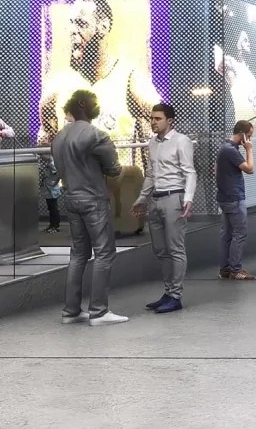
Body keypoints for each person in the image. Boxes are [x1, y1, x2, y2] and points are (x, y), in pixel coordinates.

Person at [37, 0, 163, 144]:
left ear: (103, 27)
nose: (72, 31)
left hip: (117, 167)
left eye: (81, 23)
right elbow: (46, 147)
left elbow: (164, 129)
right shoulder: (58, 85)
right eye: (71, 23)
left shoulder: (130, 80)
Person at [52, 89, 126, 326]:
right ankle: (99, 311)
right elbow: (114, 169)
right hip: (93, 198)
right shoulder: (96, 135)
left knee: (78, 254)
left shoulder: (59, 136)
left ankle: (71, 311)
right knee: (104, 252)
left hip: (71, 197)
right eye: (95, 102)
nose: (98, 106)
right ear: (83, 104)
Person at [132, 103, 197, 314]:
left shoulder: (181, 141)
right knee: (160, 250)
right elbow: (151, 173)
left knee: (175, 248)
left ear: (170, 121)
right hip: (156, 199)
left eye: (157, 118)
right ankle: (168, 292)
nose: (153, 122)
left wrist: (188, 198)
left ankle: (175, 295)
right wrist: (142, 198)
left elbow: (190, 172)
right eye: (151, 118)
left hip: (174, 197)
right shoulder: (152, 142)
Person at [217, 120, 256, 281]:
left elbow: (216, 171)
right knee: (239, 233)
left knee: (227, 234)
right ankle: (235, 269)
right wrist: (249, 150)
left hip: (225, 196)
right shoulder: (231, 150)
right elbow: (250, 169)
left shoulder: (224, 149)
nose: (249, 140)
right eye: (249, 136)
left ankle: (226, 268)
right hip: (234, 197)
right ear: (242, 135)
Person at [38, 147, 63, 234]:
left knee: (53, 208)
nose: (41, 157)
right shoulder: (49, 162)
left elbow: (59, 173)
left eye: (42, 154)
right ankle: (52, 225)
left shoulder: (52, 163)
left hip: (51, 189)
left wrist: (54, 182)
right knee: (51, 208)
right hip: (49, 189)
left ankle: (55, 226)